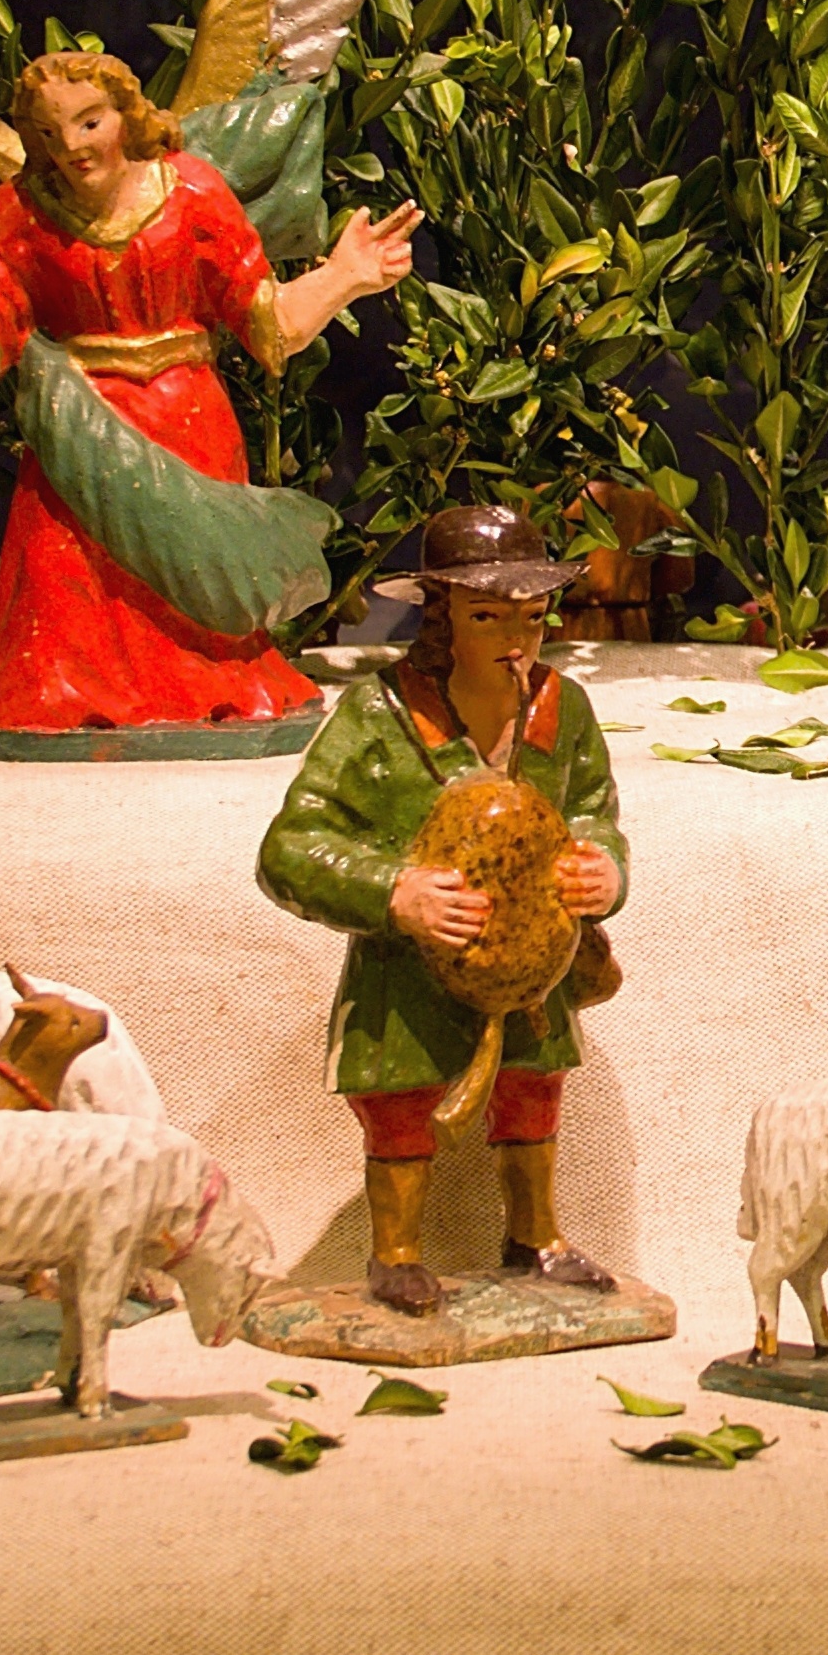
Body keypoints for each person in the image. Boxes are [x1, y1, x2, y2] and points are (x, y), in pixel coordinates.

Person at [0, 48, 421, 734]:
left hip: (187, 421)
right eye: (49, 132)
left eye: (89, 122)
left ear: (126, 115)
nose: (70, 147)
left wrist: (345, 276)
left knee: (193, 588)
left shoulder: (192, 190)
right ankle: (67, 708)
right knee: (64, 593)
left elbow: (271, 325)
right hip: (75, 429)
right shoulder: (18, 211)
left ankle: (203, 695)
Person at [256, 508, 632, 1315]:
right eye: (487, 618)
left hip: (534, 964)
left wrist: (602, 868)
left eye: (532, 618)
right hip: (409, 972)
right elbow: (291, 847)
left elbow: (594, 810)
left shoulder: (561, 710)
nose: (516, 641)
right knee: (401, 1103)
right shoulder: (380, 717)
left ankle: (535, 1238)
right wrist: (396, 891)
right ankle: (395, 1254)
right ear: (441, 616)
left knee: (532, 1086)